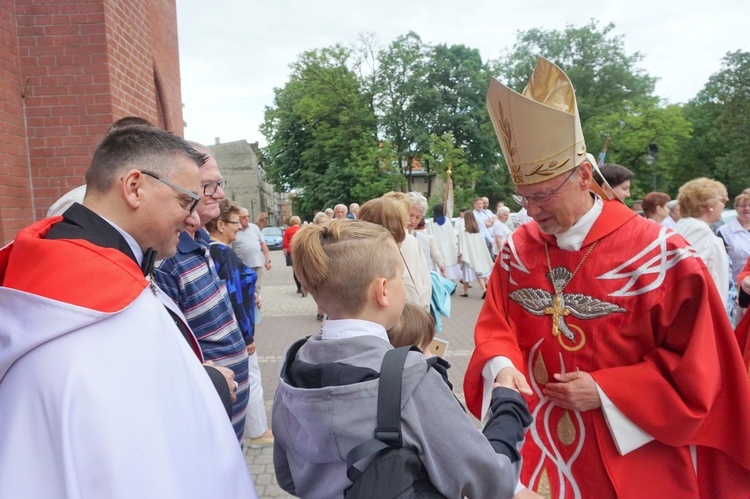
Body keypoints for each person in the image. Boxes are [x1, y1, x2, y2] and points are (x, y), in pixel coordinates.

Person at [467, 56, 750, 498]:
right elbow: (496, 323)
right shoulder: (518, 249)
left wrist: (608, 389)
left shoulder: (661, 256)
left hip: (630, 450)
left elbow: (702, 365)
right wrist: (501, 367)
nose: (532, 210)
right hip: (533, 439)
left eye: (542, 194)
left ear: (584, 176)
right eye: (522, 196)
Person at [0, 126, 257, 497]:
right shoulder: (101, 304)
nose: (195, 220)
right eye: (186, 201)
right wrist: (208, 388)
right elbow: (127, 451)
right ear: (134, 187)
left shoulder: (78, 266)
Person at [272, 219, 531, 499]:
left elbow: (287, 478)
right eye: (401, 276)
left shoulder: (293, 367)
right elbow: (489, 478)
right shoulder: (409, 377)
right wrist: (507, 402)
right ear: (383, 290)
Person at [155, 143, 250, 443]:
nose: (220, 194)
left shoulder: (202, 241)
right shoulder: (166, 257)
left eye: (218, 184)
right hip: (208, 427)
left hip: (228, 418)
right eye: (209, 186)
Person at [206, 200, 274, 449]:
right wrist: (248, 337)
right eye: (235, 222)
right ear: (221, 225)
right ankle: (257, 431)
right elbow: (233, 297)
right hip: (237, 331)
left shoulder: (213, 251)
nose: (240, 227)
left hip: (232, 330)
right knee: (251, 377)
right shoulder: (221, 253)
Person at [674, 178, 735, 321]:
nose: (723, 205)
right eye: (723, 201)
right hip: (704, 313)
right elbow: (689, 274)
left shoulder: (687, 226)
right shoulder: (698, 230)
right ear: (709, 205)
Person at [232, 207, 272, 290]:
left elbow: (263, 245)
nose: (246, 219)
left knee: (256, 288)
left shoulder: (254, 228)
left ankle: (256, 303)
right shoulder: (234, 230)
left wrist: (267, 260)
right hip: (243, 266)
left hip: (257, 264)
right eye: (243, 217)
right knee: (246, 289)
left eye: (248, 216)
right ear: (238, 218)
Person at [457, 211, 493, 298]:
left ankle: (465, 292)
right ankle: (484, 289)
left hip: (467, 253)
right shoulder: (477, 230)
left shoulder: (462, 230)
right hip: (476, 253)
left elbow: (461, 243)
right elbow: (480, 243)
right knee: (478, 271)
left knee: (466, 272)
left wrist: (459, 255)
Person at [717, 191, 750, 283]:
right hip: (737, 285)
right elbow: (721, 263)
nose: (747, 208)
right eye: (743, 205)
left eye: (749, 205)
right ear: (735, 208)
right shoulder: (724, 232)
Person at [426, 203, 461, 280]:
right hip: (448, 245)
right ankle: (451, 279)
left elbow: (428, 235)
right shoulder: (447, 220)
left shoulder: (432, 222)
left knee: (440, 261)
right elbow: (452, 234)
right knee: (448, 260)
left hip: (437, 245)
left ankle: (442, 279)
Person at [283, 215, 304, 296]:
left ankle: (299, 287)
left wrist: (285, 254)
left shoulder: (287, 230)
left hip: (291, 252)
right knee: (303, 269)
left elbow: (285, 244)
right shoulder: (302, 229)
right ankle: (304, 285)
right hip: (302, 252)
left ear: (291, 222)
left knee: (295, 270)